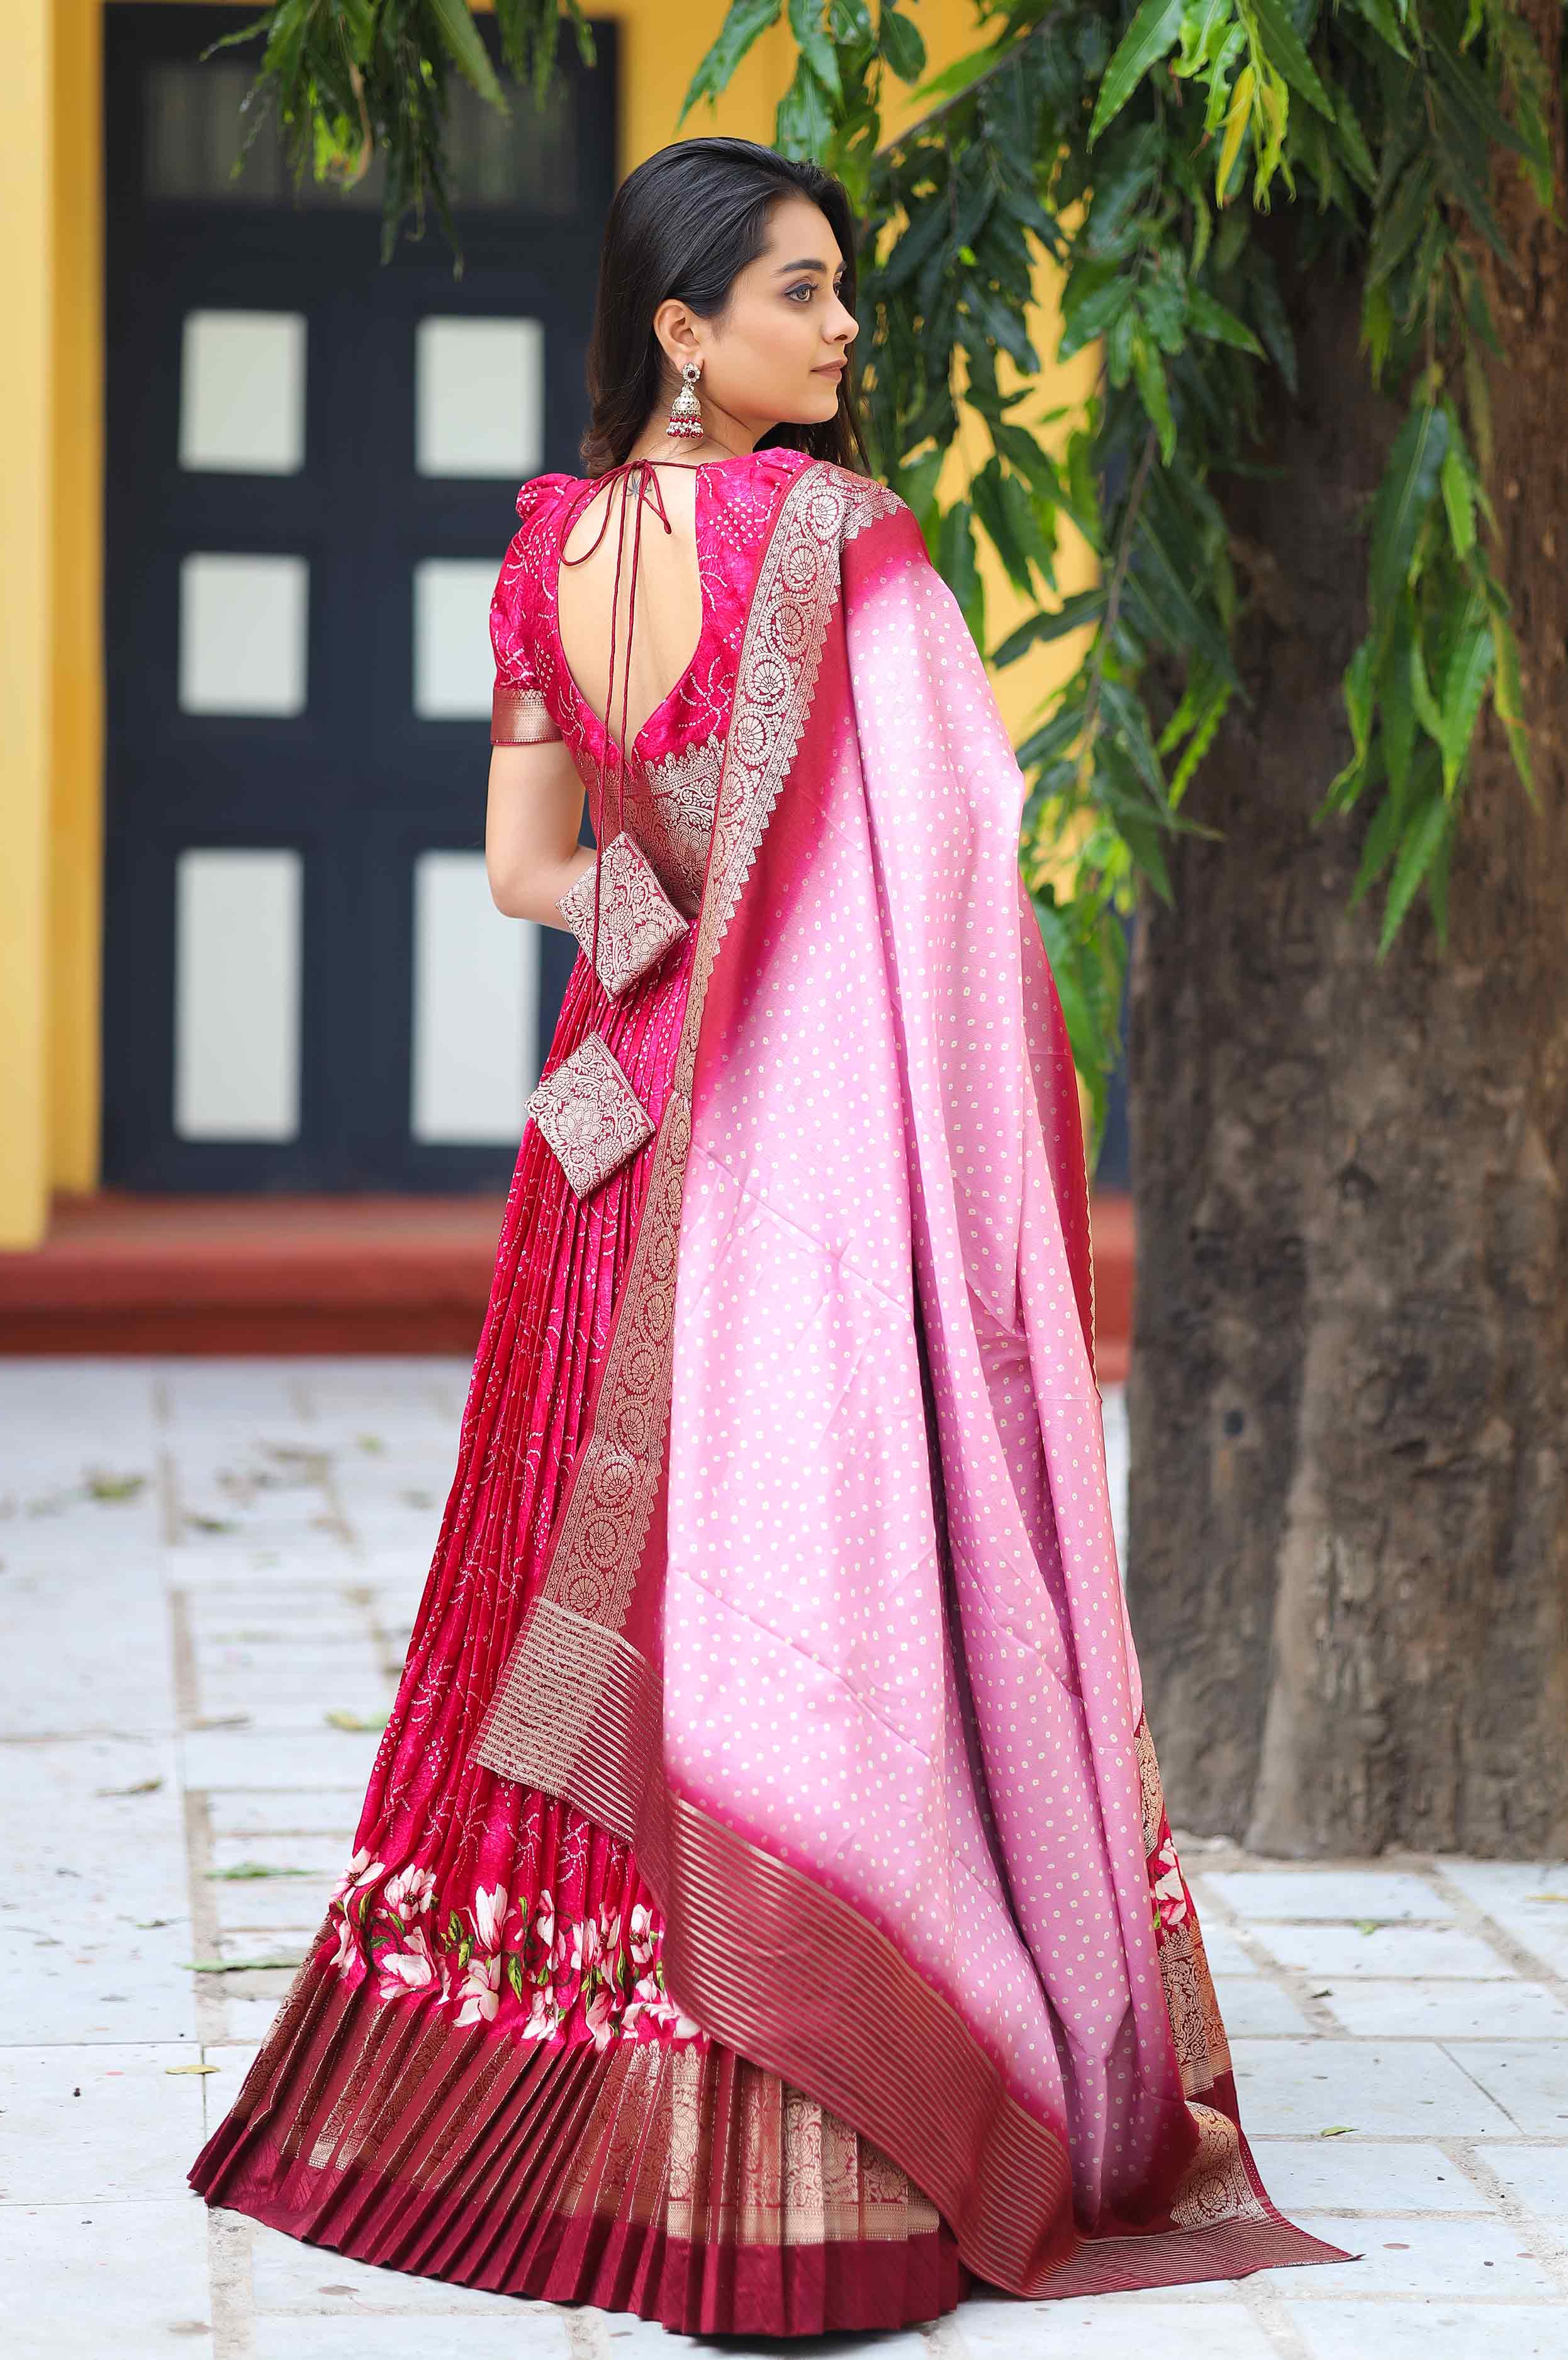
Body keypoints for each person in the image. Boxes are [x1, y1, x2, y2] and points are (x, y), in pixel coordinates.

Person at [190, 134, 1352, 2335]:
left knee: (588, 1580)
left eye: (837, 293)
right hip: (796, 1180)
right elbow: (946, 902)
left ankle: (505, 2073)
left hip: (612, 1139)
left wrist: (671, 939)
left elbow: (532, 866)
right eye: (800, 293)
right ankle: (810, 2121)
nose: (840, 331)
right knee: (804, 1596)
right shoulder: (842, 540)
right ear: (679, 331)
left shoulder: (545, 552)